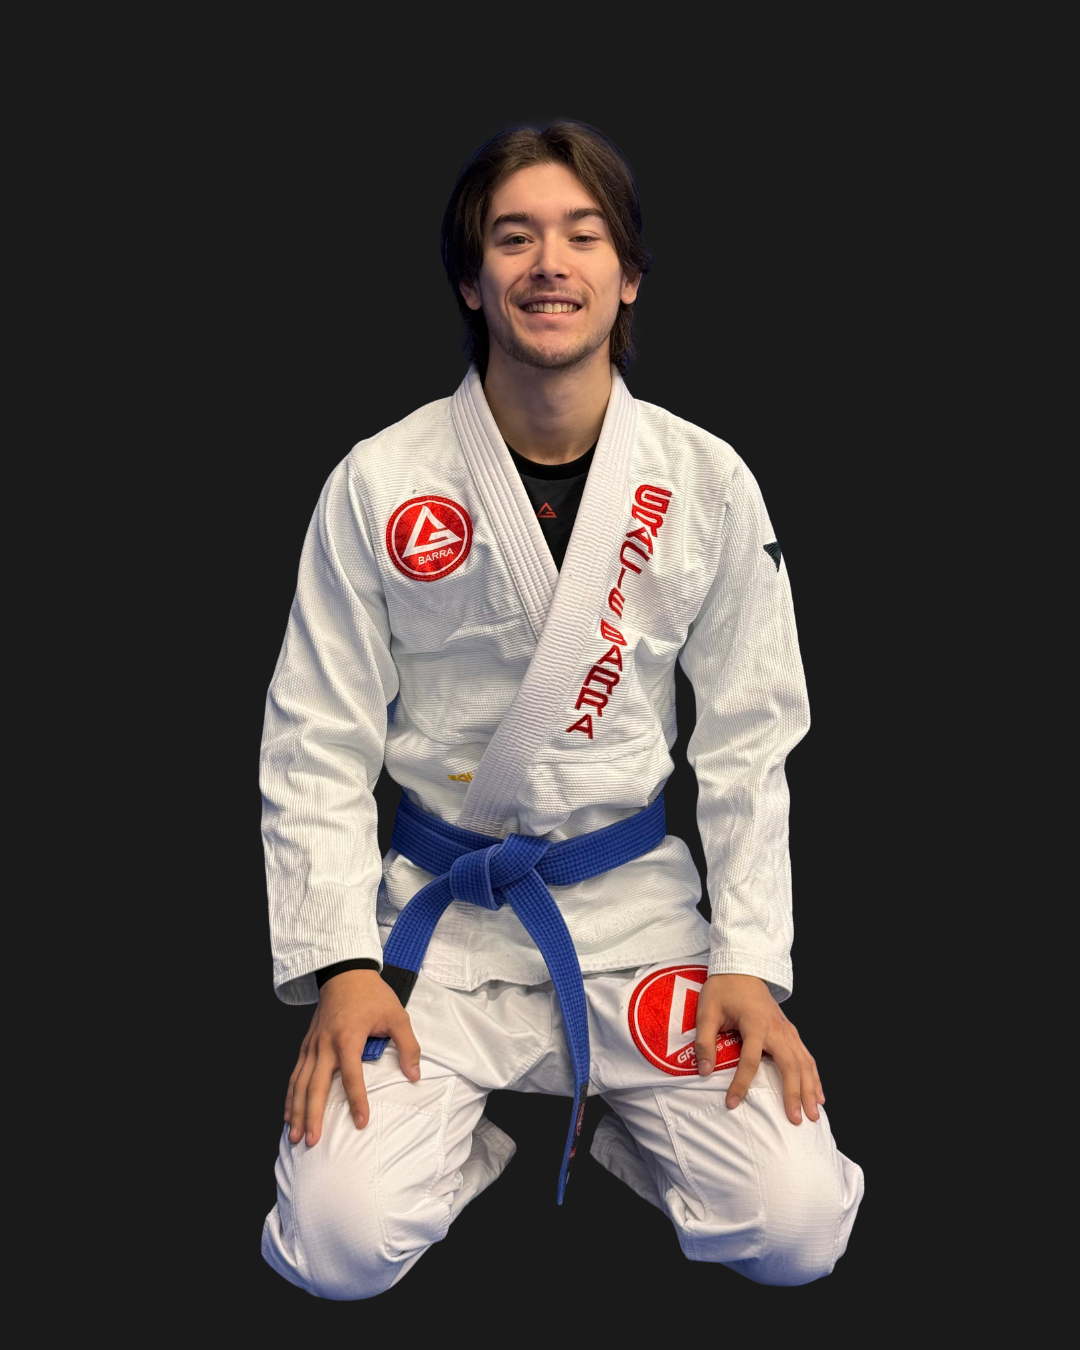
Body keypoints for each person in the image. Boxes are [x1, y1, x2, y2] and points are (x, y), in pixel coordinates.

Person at [259, 121, 864, 1299]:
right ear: (471, 279)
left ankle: (628, 1128)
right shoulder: (381, 482)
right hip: (440, 925)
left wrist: (750, 962)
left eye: (584, 236)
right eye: (516, 236)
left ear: (626, 275)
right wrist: (340, 963)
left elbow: (750, 738)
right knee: (336, 1248)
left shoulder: (702, 481)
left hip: (633, 913)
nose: (551, 262)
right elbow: (316, 737)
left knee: (797, 1231)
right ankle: (466, 1148)